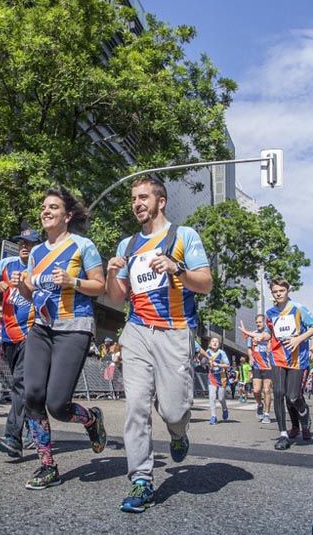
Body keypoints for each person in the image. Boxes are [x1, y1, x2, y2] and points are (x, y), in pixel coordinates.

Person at [105, 176, 213, 512]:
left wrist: (176, 268)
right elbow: (116, 297)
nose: (136, 203)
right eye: (133, 199)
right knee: (136, 405)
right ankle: (141, 480)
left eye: (142, 198)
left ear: (160, 201)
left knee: (173, 410)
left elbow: (206, 283)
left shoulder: (184, 236)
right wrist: (111, 272)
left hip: (175, 331)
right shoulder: (127, 246)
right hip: (136, 331)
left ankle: (179, 433)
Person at [12, 188, 107, 490]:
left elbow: (99, 286)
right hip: (41, 327)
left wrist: (72, 281)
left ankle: (91, 420)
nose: (46, 211)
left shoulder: (83, 246)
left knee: (57, 404)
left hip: (74, 327)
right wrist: (22, 286)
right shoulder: (36, 252)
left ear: (67, 216)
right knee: (33, 395)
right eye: (43, 207)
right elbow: (31, 293)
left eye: (53, 207)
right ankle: (47, 465)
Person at [0, 230, 39, 457]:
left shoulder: (41, 264)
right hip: (7, 336)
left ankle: (13, 437)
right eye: (22, 242)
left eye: (30, 243)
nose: (25, 246)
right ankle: (36, 429)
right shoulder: (6, 264)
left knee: (19, 385)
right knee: (26, 388)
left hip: (32, 333)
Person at [244, 278, 313, 450]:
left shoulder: (299, 309)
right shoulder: (270, 313)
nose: (278, 294)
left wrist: (298, 339)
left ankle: (304, 416)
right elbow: (270, 334)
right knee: (278, 393)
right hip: (277, 358)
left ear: (288, 290)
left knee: (292, 397)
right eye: (275, 292)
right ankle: (283, 434)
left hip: (296, 359)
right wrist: (260, 336)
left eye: (281, 291)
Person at [240, 314, 274, 424]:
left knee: (267, 390)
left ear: (264, 322)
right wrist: (250, 358)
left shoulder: (269, 334)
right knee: (256, 390)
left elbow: (270, 344)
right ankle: (260, 404)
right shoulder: (252, 335)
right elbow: (249, 348)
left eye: (260, 322)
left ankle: (267, 414)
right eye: (257, 322)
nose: (258, 324)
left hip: (268, 366)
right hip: (257, 366)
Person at [204, 336, 230, 424]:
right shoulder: (207, 352)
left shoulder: (221, 353)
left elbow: (227, 365)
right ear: (210, 344)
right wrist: (206, 361)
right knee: (212, 396)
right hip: (212, 377)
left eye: (217, 342)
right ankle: (213, 416)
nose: (215, 343)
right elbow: (203, 361)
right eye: (213, 341)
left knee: (221, 398)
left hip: (221, 377)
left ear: (219, 345)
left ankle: (225, 408)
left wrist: (218, 365)